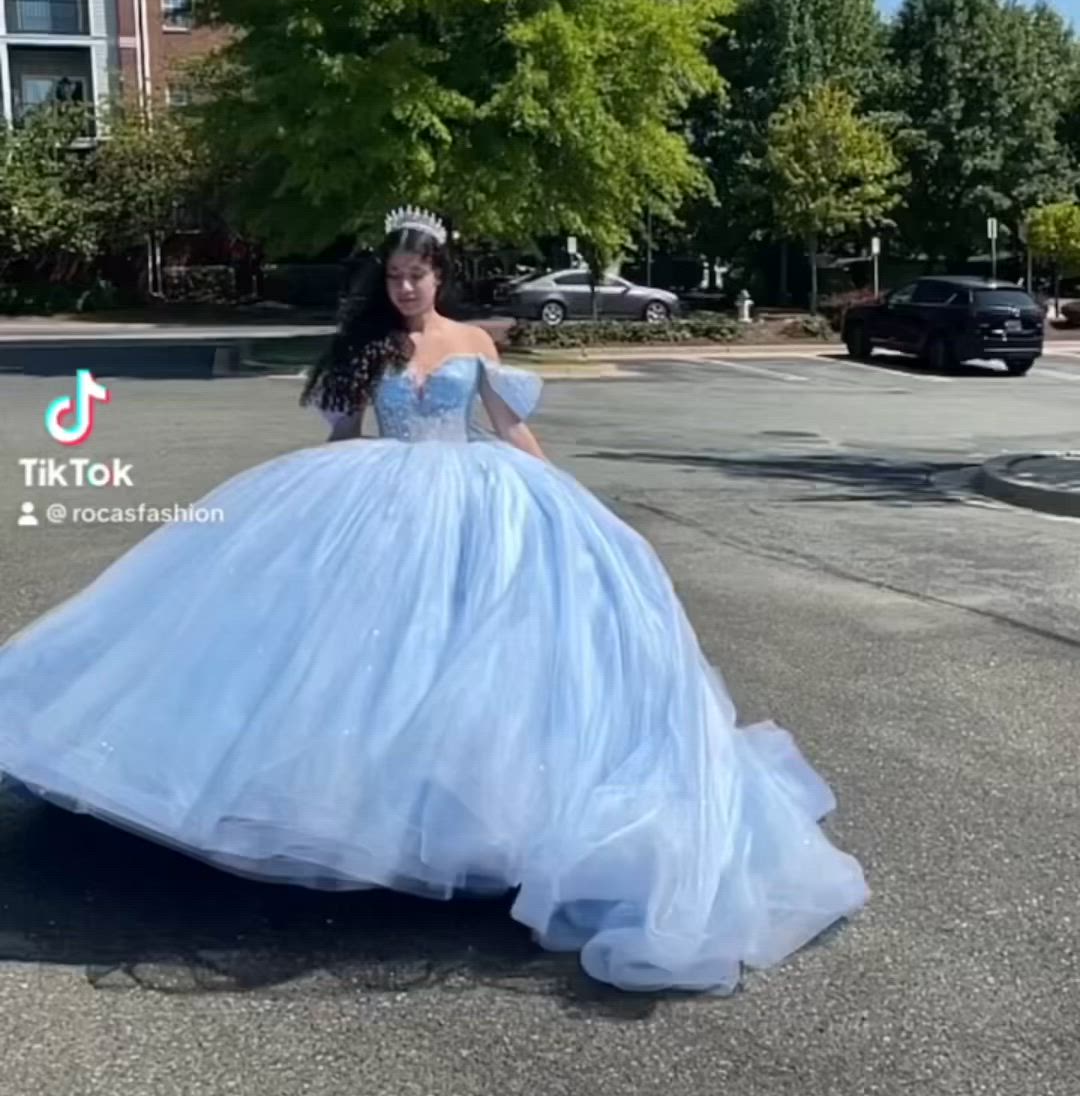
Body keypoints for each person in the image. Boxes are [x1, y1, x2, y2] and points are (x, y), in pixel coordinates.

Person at [0, 209, 867, 993]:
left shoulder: (474, 345)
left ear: (439, 277)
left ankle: (475, 820)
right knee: (366, 658)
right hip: (376, 499)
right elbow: (344, 437)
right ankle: (346, 812)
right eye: (392, 277)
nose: (404, 288)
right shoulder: (368, 348)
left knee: (473, 659)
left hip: (476, 499)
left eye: (415, 276)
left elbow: (509, 429)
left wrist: (571, 502)